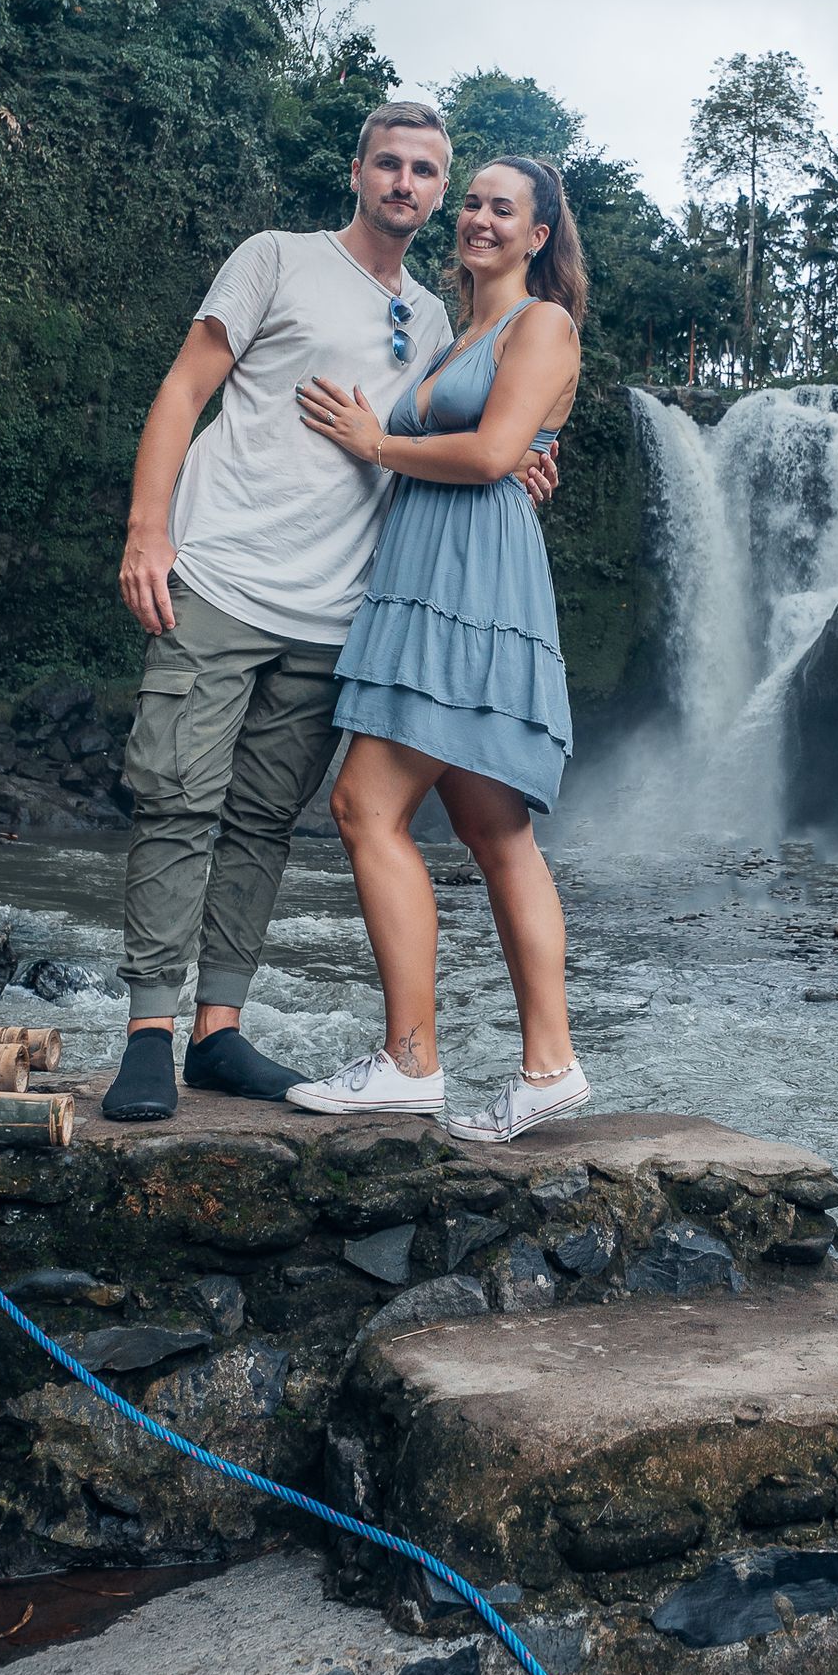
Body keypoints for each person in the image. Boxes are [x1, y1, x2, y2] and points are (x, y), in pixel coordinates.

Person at [101, 102, 553, 1124]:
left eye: (424, 171)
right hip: (217, 573)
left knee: (263, 819)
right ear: (356, 172)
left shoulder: (442, 324)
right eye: (388, 163)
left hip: (339, 610)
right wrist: (146, 531)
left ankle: (218, 1031)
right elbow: (182, 391)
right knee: (174, 794)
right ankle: (145, 1031)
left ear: (440, 196)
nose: (405, 182)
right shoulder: (274, 259)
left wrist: (523, 462)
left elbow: (474, 442)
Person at [286, 156, 587, 1143]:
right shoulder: (464, 333)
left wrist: (378, 445)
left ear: (538, 235)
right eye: (474, 203)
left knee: (363, 803)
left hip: (468, 585)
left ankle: (411, 1060)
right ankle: (546, 1068)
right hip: (438, 576)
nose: (479, 219)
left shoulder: (539, 323)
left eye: (504, 208)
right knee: (495, 835)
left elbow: (497, 455)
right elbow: (503, 451)